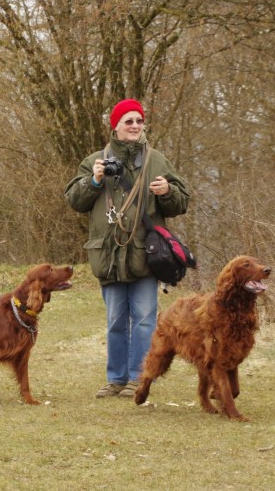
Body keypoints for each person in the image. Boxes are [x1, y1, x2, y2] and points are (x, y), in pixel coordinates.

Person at [64, 98, 190, 398]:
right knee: (115, 322)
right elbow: (74, 200)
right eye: (129, 121)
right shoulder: (95, 160)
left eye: (139, 121)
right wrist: (94, 180)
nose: (135, 126)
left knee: (145, 320)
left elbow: (181, 202)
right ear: (116, 126)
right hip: (108, 255)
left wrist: (168, 192)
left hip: (146, 255)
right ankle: (116, 379)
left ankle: (139, 378)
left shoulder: (157, 160)